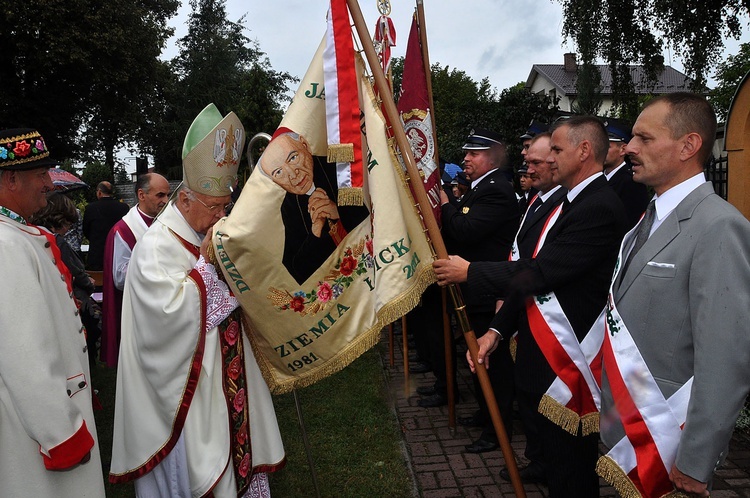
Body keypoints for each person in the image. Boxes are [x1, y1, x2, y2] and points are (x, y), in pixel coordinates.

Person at [434, 116, 627, 496]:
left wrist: (470, 271)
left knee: (571, 474)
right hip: (543, 357)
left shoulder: (598, 205)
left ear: (584, 150)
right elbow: (530, 278)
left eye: (556, 150)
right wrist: (497, 330)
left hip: (567, 363)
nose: (547, 159)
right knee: (556, 466)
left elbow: (540, 271)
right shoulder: (568, 202)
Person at [110, 104, 285, 497]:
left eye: (226, 207)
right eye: (216, 208)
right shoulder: (155, 247)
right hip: (183, 398)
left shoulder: (203, 231)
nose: (223, 216)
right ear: (185, 199)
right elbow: (167, 318)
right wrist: (207, 266)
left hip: (227, 375)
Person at [598, 93, 750, 497]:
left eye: (644, 139)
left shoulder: (718, 226)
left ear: (689, 146)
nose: (629, 148)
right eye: (631, 138)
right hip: (627, 425)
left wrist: (697, 459)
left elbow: (726, 355)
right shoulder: (650, 215)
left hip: (669, 436)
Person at [0, 128, 105, 497]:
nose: (49, 183)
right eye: (40, 174)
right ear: (11, 178)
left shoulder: (15, 235)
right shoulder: (6, 245)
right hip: (38, 433)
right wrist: (63, 436)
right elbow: (24, 358)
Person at [423, 129, 519, 458]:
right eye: (466, 153)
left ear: (490, 158)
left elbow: (465, 229)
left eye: (473, 153)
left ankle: (498, 429)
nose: (465, 158)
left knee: (492, 363)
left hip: (487, 287)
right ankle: (485, 413)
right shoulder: (481, 188)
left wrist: (447, 202)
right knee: (477, 359)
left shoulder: (497, 191)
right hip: (474, 286)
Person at [497, 131, 567, 485]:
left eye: (537, 162)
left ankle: (549, 463)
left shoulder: (564, 205)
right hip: (523, 308)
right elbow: (520, 251)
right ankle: (538, 459)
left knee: (544, 398)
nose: (530, 167)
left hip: (549, 317)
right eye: (528, 162)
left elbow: (540, 265)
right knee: (527, 394)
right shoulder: (535, 199)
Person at [258, 128, 369, 284]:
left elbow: (375, 213)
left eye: (293, 158)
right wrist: (315, 232)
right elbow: (297, 271)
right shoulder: (289, 207)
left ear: (305, 145)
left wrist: (338, 213)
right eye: (278, 173)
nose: (292, 174)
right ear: (275, 182)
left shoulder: (339, 167)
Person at [100, 172, 169, 367]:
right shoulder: (124, 230)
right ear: (141, 195)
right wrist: (156, 260)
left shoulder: (166, 223)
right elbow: (120, 278)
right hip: (137, 310)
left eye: (167, 195)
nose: (166, 200)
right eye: (160, 195)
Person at [30, 192, 102, 367]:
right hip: (74, 301)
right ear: (59, 219)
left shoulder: (34, 235)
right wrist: (88, 283)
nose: (69, 228)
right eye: (68, 223)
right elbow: (76, 272)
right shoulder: (56, 241)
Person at [603, 118, 649, 229]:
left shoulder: (631, 183)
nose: (600, 150)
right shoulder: (599, 178)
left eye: (607, 146)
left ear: (623, 150)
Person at [82, 180, 129, 270]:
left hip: (97, 253)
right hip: (118, 253)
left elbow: (86, 230)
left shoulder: (91, 208)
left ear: (99, 192)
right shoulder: (124, 208)